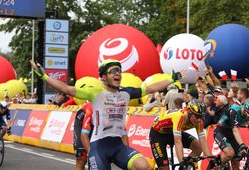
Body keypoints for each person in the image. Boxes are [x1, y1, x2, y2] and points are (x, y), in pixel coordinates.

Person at [30, 59, 185, 170]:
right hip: (99, 148)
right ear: (103, 77)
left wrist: (171, 78)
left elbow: (151, 88)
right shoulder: (95, 92)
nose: (118, 74)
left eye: (119, 71)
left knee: (143, 166)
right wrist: (44, 76)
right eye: (113, 71)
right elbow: (66, 89)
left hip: (118, 146)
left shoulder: (126, 92)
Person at [149, 99, 213, 170]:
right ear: (189, 112)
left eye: (201, 117)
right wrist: (182, 163)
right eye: (197, 116)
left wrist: (211, 161)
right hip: (158, 134)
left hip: (171, 132)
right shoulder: (180, 116)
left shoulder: (199, 122)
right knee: (165, 168)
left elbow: (203, 142)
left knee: (198, 147)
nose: (199, 120)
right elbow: (178, 142)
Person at [213, 99, 249, 170]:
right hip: (221, 131)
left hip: (231, 133)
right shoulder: (234, 110)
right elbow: (235, 130)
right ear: (246, 110)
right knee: (230, 154)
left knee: (236, 159)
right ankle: (214, 166)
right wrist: (242, 145)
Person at [74, 102, 93, 170]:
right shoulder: (91, 108)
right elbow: (84, 134)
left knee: (96, 161)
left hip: (97, 126)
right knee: (81, 158)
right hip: (82, 123)